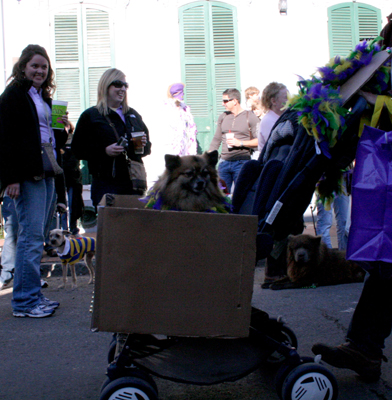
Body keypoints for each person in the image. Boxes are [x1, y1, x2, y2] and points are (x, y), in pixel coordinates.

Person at [0, 44, 69, 317]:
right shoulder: (13, 96)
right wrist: (11, 179)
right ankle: (25, 303)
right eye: (35, 65)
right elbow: (5, 140)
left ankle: (33, 296)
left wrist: (62, 127)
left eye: (44, 66)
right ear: (23, 67)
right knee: (29, 238)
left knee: (36, 237)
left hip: (47, 170)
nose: (40, 70)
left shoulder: (42, 97)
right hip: (27, 174)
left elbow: (52, 140)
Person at [72, 68, 151, 208]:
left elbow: (147, 149)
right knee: (109, 227)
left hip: (133, 183)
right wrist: (104, 151)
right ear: (106, 85)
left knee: (134, 226)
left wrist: (142, 145)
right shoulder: (92, 115)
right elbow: (77, 149)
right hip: (106, 183)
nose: (122, 89)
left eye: (125, 86)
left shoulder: (133, 115)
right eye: (118, 84)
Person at [208, 88, 259, 193]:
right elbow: (216, 139)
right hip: (224, 162)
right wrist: (208, 158)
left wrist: (240, 143)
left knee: (241, 195)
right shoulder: (223, 117)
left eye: (225, 101)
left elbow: (260, 141)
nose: (223, 104)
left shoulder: (250, 117)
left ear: (235, 101)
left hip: (242, 162)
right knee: (222, 196)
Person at [162, 82, 197, 156]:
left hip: (185, 145)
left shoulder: (184, 109)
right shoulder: (168, 108)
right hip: (172, 146)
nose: (183, 95)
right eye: (181, 92)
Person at [258, 82, 288, 152]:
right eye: (286, 97)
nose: (290, 100)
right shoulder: (268, 120)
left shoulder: (281, 117)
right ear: (274, 101)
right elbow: (276, 144)